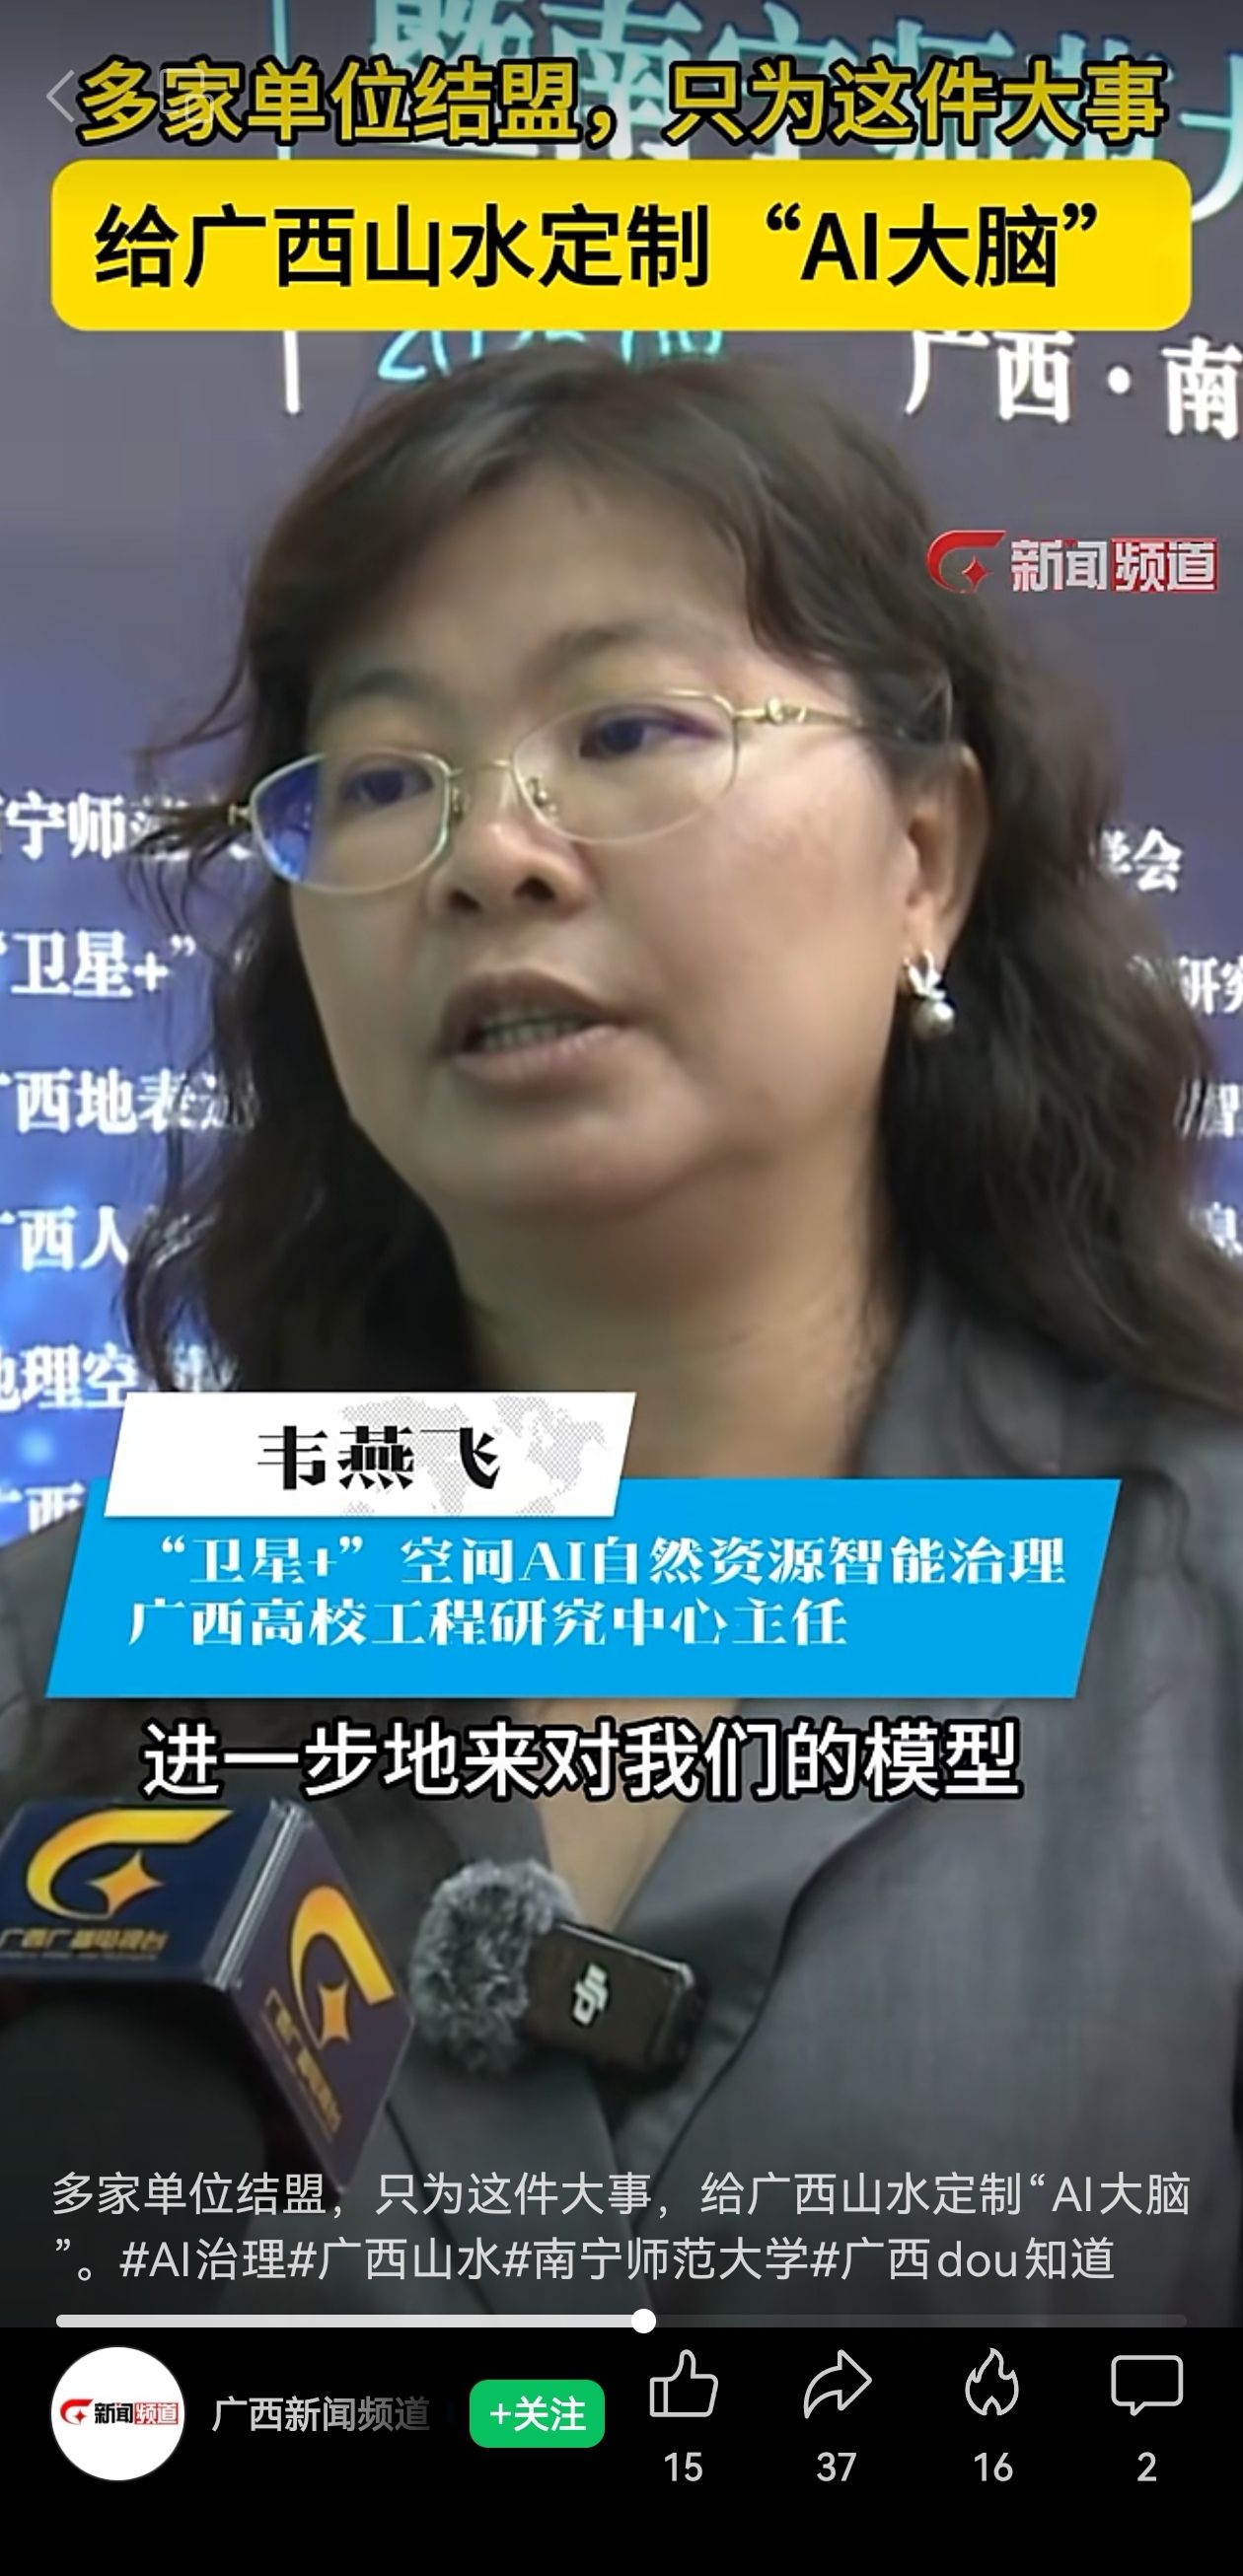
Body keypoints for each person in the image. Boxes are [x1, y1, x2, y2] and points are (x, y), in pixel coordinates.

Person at [1, 346, 1241, 2324]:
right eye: (383, 779)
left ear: (926, 857)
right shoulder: (64, 1655)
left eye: (630, 728)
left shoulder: (1200, 1589)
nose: (493, 853)